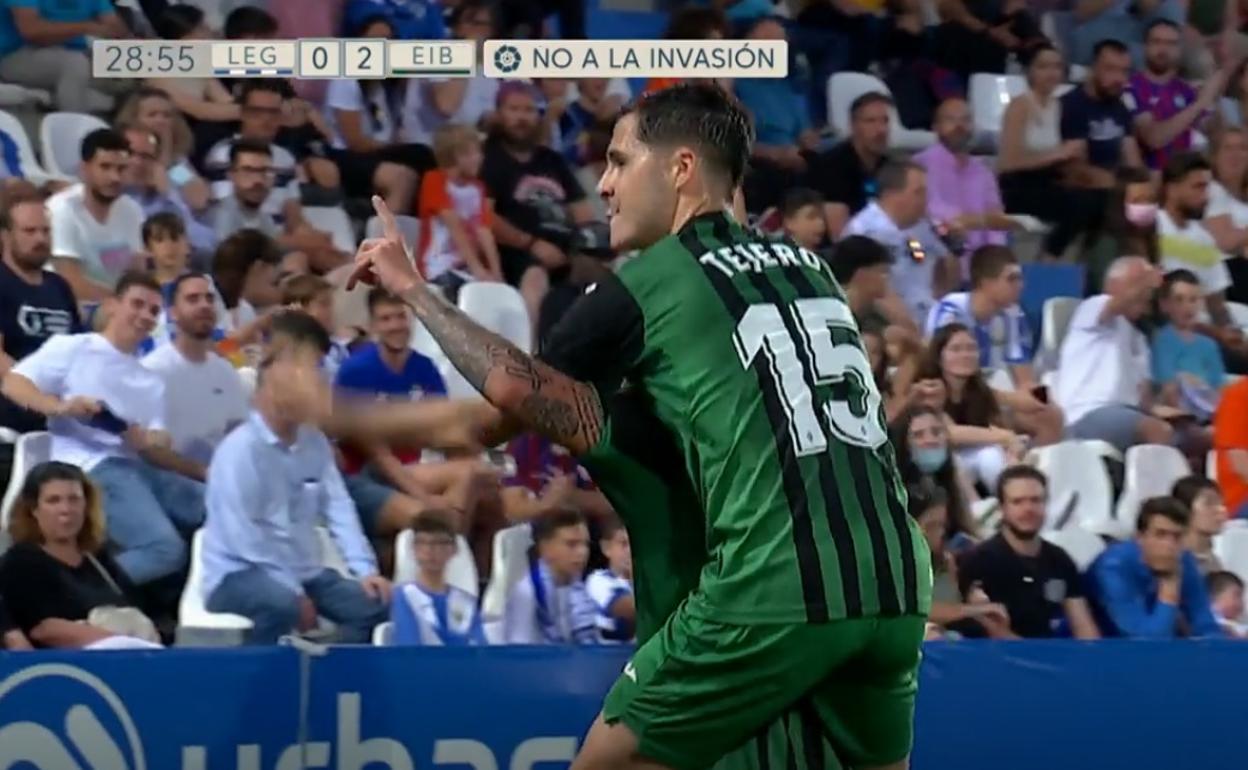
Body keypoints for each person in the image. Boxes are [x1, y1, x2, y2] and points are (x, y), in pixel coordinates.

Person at [350, 82, 929, 770]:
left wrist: (413, 288)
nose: (604, 184)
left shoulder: (651, 280)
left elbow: (509, 399)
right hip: (896, 574)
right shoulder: (814, 270)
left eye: (621, 161)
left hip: (777, 576)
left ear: (681, 168)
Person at [0, 461, 159, 649]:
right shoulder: (21, 561)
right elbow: (44, 629)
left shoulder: (98, 558)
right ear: (34, 509)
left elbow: (134, 608)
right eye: (53, 501)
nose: (66, 510)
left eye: (74, 499)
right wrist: (124, 645)